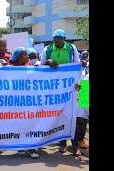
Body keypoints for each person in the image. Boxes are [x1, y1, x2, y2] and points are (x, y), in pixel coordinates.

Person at [40, 29, 81, 157]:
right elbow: (41, 66)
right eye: (54, 38)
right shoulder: (47, 50)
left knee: (73, 115)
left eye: (58, 37)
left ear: (64, 38)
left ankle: (75, 145)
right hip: (55, 89)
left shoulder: (71, 48)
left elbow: (77, 66)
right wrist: (49, 62)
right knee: (60, 114)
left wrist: (78, 82)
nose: (56, 40)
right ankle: (62, 144)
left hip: (70, 87)